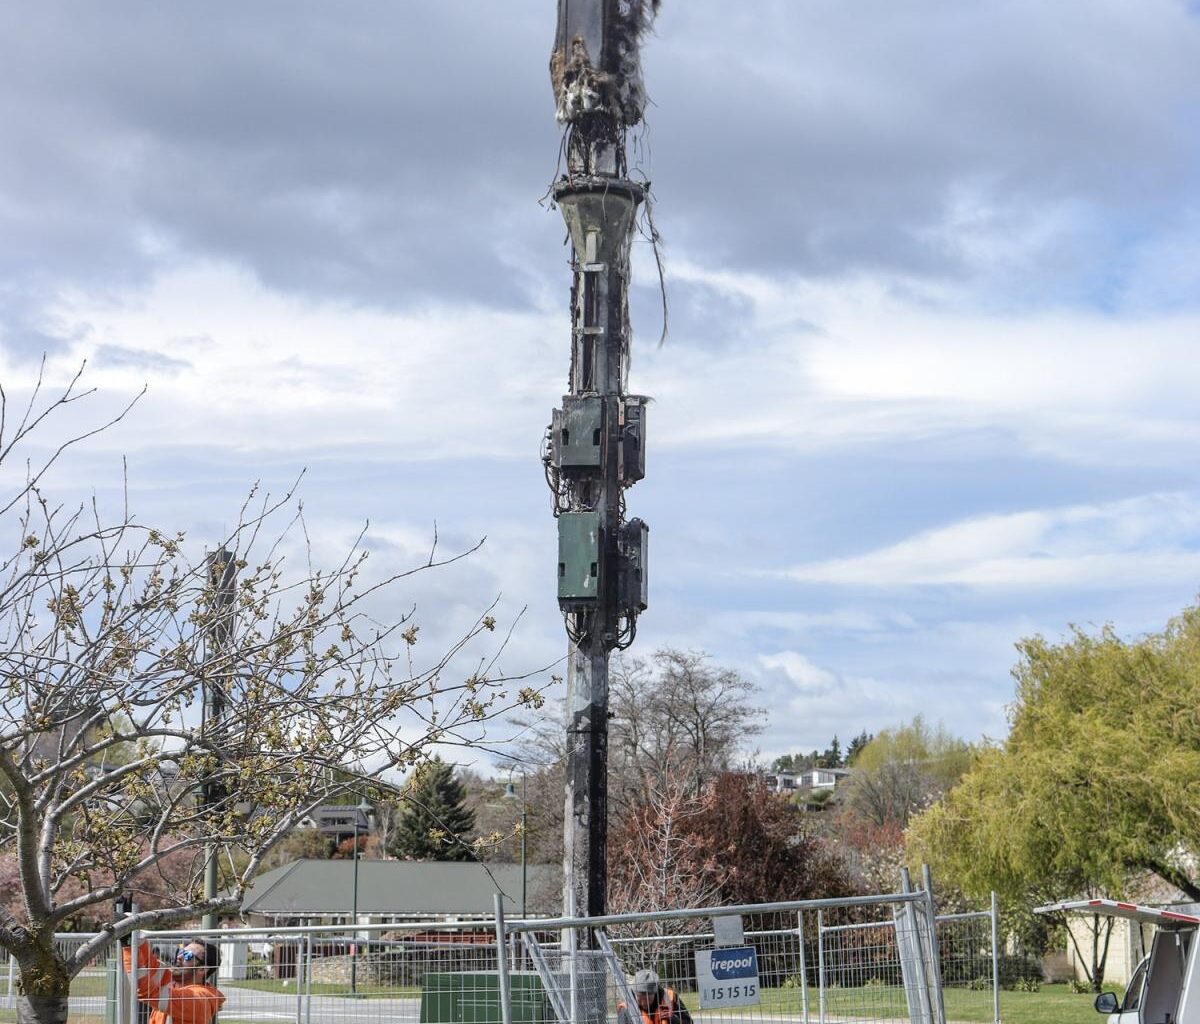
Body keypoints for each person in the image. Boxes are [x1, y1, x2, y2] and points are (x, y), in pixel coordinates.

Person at [123, 938, 225, 1024]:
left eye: (187, 955)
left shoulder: (199, 998)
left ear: (202, 969)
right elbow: (148, 963)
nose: (179, 957)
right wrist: (133, 937)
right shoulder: (175, 982)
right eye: (180, 951)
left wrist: (128, 945)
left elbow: (148, 993)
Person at [618, 969, 692, 1024]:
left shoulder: (670, 997)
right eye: (640, 998)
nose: (644, 1003)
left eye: (648, 999)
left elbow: (689, 1022)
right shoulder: (626, 1008)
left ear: (655, 993)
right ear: (634, 993)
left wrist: (673, 1019)